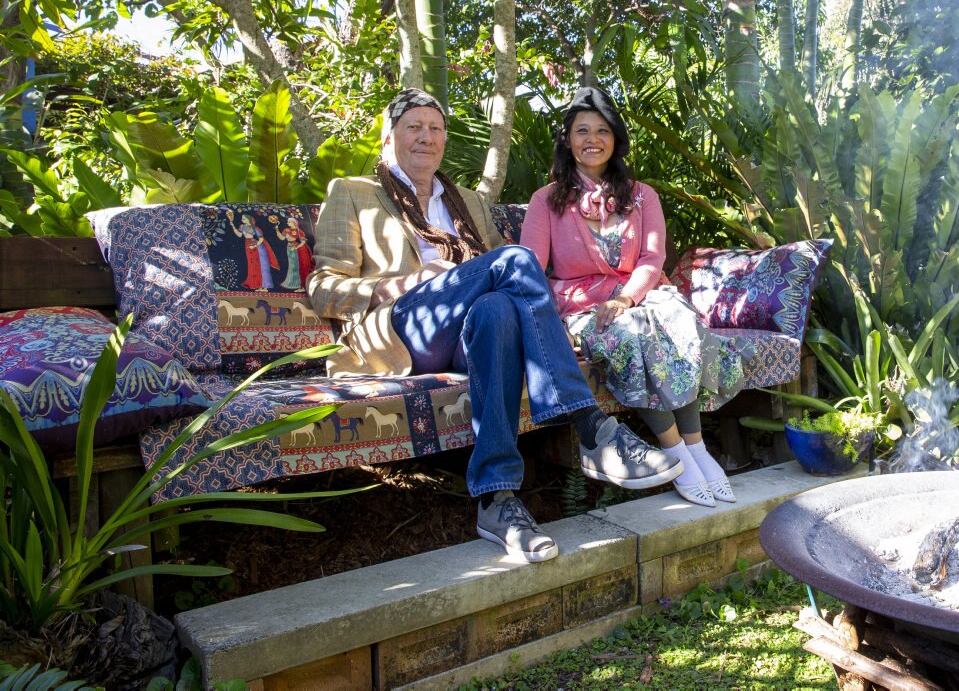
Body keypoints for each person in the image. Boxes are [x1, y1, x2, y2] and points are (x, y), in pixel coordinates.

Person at [308, 88, 683, 564]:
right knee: (515, 259)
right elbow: (324, 287)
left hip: (468, 329)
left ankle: (497, 500)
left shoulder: (468, 201)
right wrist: (403, 283)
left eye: (436, 128)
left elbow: (506, 283)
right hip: (406, 326)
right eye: (414, 127)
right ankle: (588, 424)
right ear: (389, 136)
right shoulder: (354, 192)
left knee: (497, 313)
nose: (427, 137)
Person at [521, 86, 743, 508]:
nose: (592, 139)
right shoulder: (545, 201)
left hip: (639, 294)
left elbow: (652, 255)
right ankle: (674, 448)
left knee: (678, 322)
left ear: (615, 138)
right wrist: (547, 321)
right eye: (581, 130)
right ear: (567, 139)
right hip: (583, 303)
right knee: (631, 336)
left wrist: (626, 298)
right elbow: (530, 266)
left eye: (602, 130)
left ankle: (696, 447)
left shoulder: (642, 197)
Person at [230, 210, 279, 291]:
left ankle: (265, 287)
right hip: (248, 246)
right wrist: (233, 226)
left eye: (244, 219)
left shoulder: (256, 228)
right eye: (242, 219)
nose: (242, 220)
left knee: (262, 266)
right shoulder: (242, 226)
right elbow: (239, 235)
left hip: (258, 247)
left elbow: (261, 239)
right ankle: (258, 285)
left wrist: (255, 245)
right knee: (253, 265)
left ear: (249, 219)